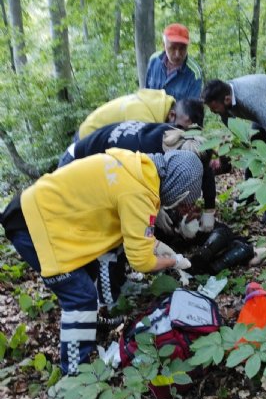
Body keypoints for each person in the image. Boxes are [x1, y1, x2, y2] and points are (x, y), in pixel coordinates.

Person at [1, 149, 203, 375]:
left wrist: (155, 246)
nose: (178, 205)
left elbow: (135, 233)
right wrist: (173, 261)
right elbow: (141, 261)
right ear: (177, 187)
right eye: (182, 199)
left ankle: (92, 324)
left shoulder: (137, 168)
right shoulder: (139, 191)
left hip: (44, 212)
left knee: (92, 270)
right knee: (80, 297)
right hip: (34, 223)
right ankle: (76, 374)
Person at [58, 121, 216, 234]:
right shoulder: (145, 153)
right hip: (78, 159)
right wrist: (156, 210)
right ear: (180, 160)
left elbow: (204, 171)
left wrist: (209, 210)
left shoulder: (185, 140)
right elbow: (132, 196)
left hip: (102, 163)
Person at [202, 75, 266, 153]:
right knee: (254, 152)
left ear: (227, 99)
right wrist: (245, 145)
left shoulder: (248, 97)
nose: (213, 112)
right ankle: (250, 180)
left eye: (214, 108)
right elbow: (232, 124)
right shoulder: (222, 96)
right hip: (265, 110)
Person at [78, 89, 204, 139]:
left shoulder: (158, 107)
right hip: (88, 138)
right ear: (172, 115)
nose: (180, 133)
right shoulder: (142, 116)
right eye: (180, 128)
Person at [145, 23, 202, 101]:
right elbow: (146, 93)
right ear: (164, 45)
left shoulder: (194, 73)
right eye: (172, 48)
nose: (177, 54)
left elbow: (193, 108)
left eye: (182, 48)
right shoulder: (154, 60)